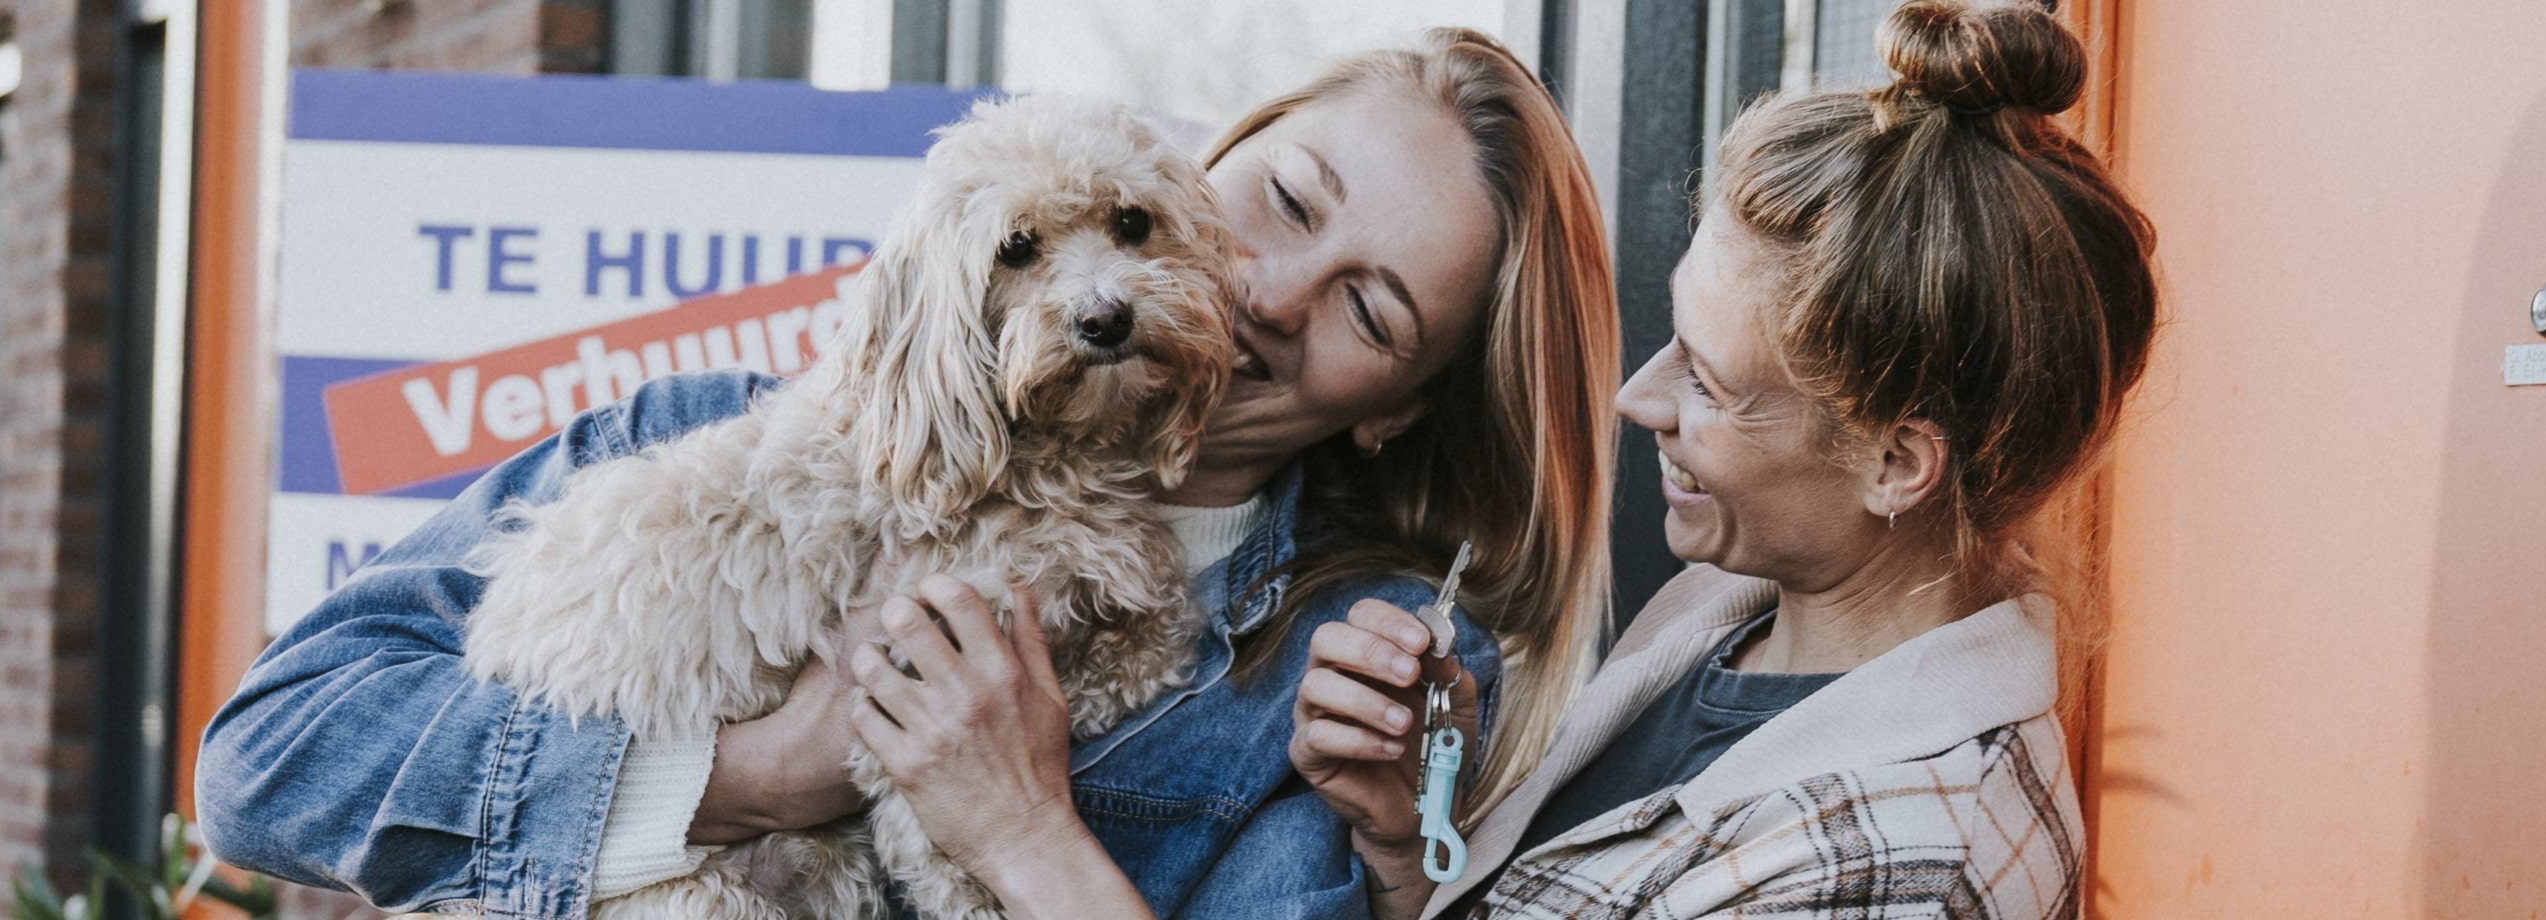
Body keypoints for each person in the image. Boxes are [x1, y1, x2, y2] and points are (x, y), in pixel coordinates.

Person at [192, 29, 1618, 920]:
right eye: (1284, 200)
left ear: (1399, 412)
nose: (1269, 289)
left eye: (1372, 313)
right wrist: (749, 777)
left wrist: (1021, 826)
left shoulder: (1343, 680)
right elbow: (265, 766)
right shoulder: (707, 434)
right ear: (1209, 164)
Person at [1293, 2, 2158, 917]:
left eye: (1709, 383)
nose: (1637, 399)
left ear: (1896, 462)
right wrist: (1410, 833)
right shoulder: (1734, 603)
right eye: (1675, 335)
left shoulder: (1900, 878)